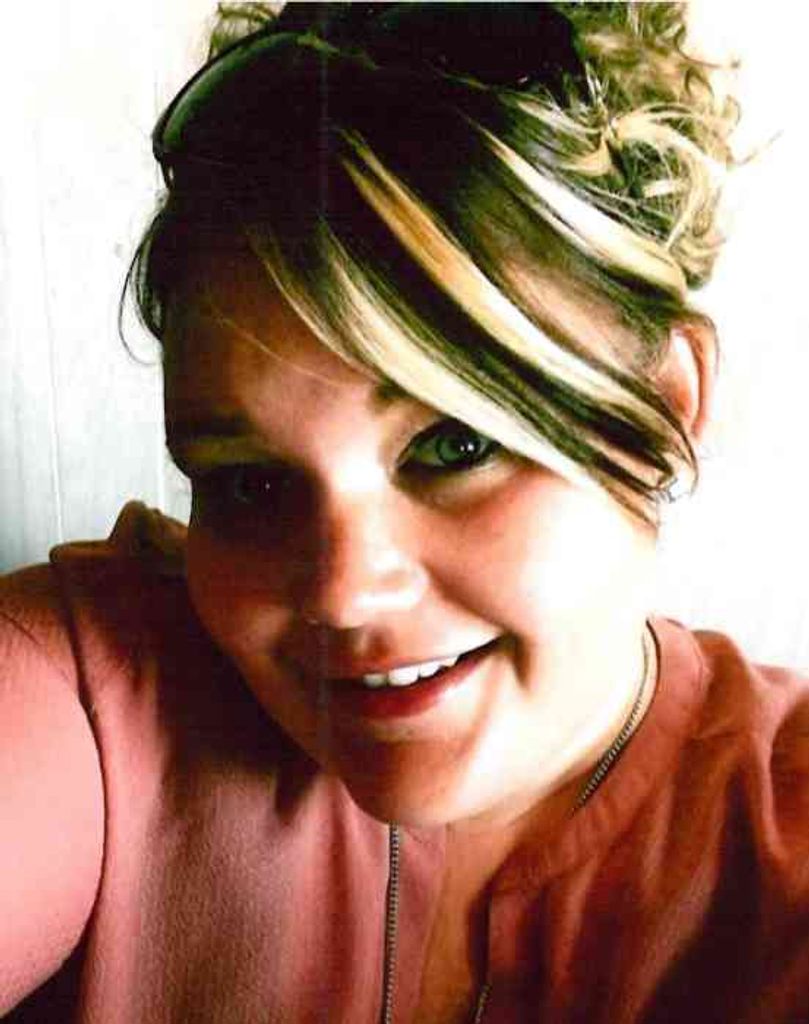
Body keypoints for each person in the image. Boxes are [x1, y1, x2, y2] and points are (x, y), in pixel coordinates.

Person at [2, 3, 808, 1022]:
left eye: (454, 445)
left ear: (667, 399)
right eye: (250, 483)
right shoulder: (91, 694)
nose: (341, 593)